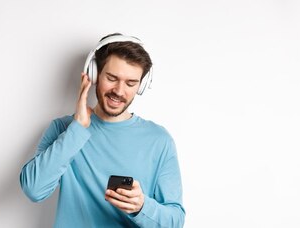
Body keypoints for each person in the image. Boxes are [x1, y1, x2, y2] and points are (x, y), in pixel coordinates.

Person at [19, 33, 185, 227]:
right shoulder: (63, 129)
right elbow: (34, 189)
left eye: (131, 83)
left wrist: (141, 206)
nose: (119, 91)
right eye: (112, 78)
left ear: (141, 85)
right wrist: (78, 128)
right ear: (94, 74)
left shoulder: (159, 140)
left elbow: (175, 221)